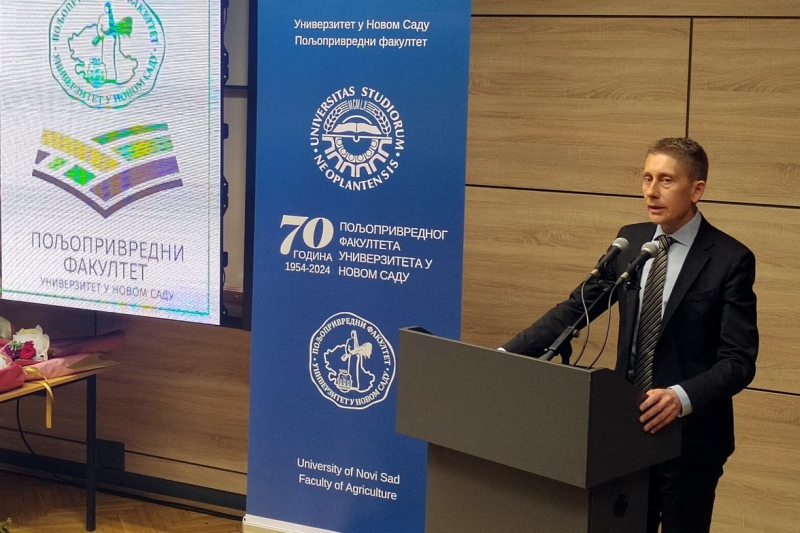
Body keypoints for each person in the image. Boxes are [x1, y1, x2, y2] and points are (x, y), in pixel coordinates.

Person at [502, 138, 758, 533]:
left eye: (666, 180)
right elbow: (576, 308)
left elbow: (738, 361)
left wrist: (680, 397)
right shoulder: (630, 242)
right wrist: (505, 355)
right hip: (625, 432)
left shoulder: (729, 259)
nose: (651, 191)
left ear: (697, 190)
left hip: (690, 442)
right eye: (647, 178)